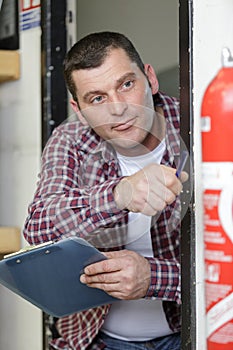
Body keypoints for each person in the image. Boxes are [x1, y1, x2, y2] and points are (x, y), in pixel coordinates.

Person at [23, 31, 188, 350]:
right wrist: (118, 195)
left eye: (127, 85)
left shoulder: (198, 127)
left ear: (150, 79)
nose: (118, 109)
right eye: (97, 98)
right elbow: (40, 229)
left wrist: (153, 277)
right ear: (80, 109)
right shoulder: (70, 139)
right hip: (96, 339)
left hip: (189, 334)